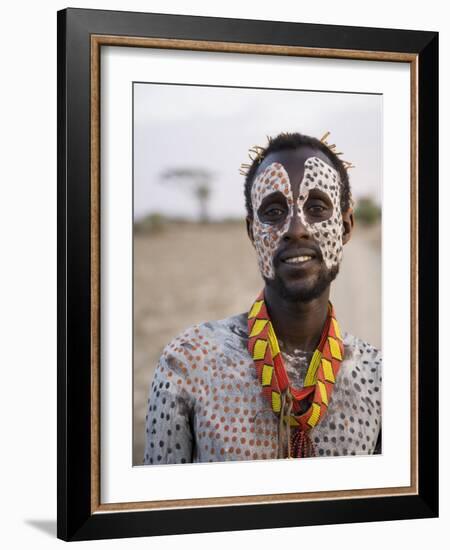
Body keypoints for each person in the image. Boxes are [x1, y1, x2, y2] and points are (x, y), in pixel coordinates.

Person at [143, 131, 382, 464]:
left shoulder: (377, 379)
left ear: (346, 227)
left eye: (316, 207)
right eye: (273, 212)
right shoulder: (187, 364)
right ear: (252, 232)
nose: (296, 228)